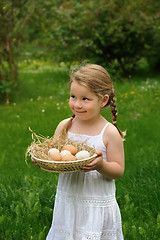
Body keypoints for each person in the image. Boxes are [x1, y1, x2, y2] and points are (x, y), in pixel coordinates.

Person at [46, 63, 125, 240]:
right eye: (73, 96)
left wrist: (101, 165)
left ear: (103, 100)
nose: (77, 104)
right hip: (69, 200)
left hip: (95, 202)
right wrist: (44, 160)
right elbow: (55, 154)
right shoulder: (65, 126)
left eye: (85, 99)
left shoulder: (109, 133)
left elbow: (118, 170)